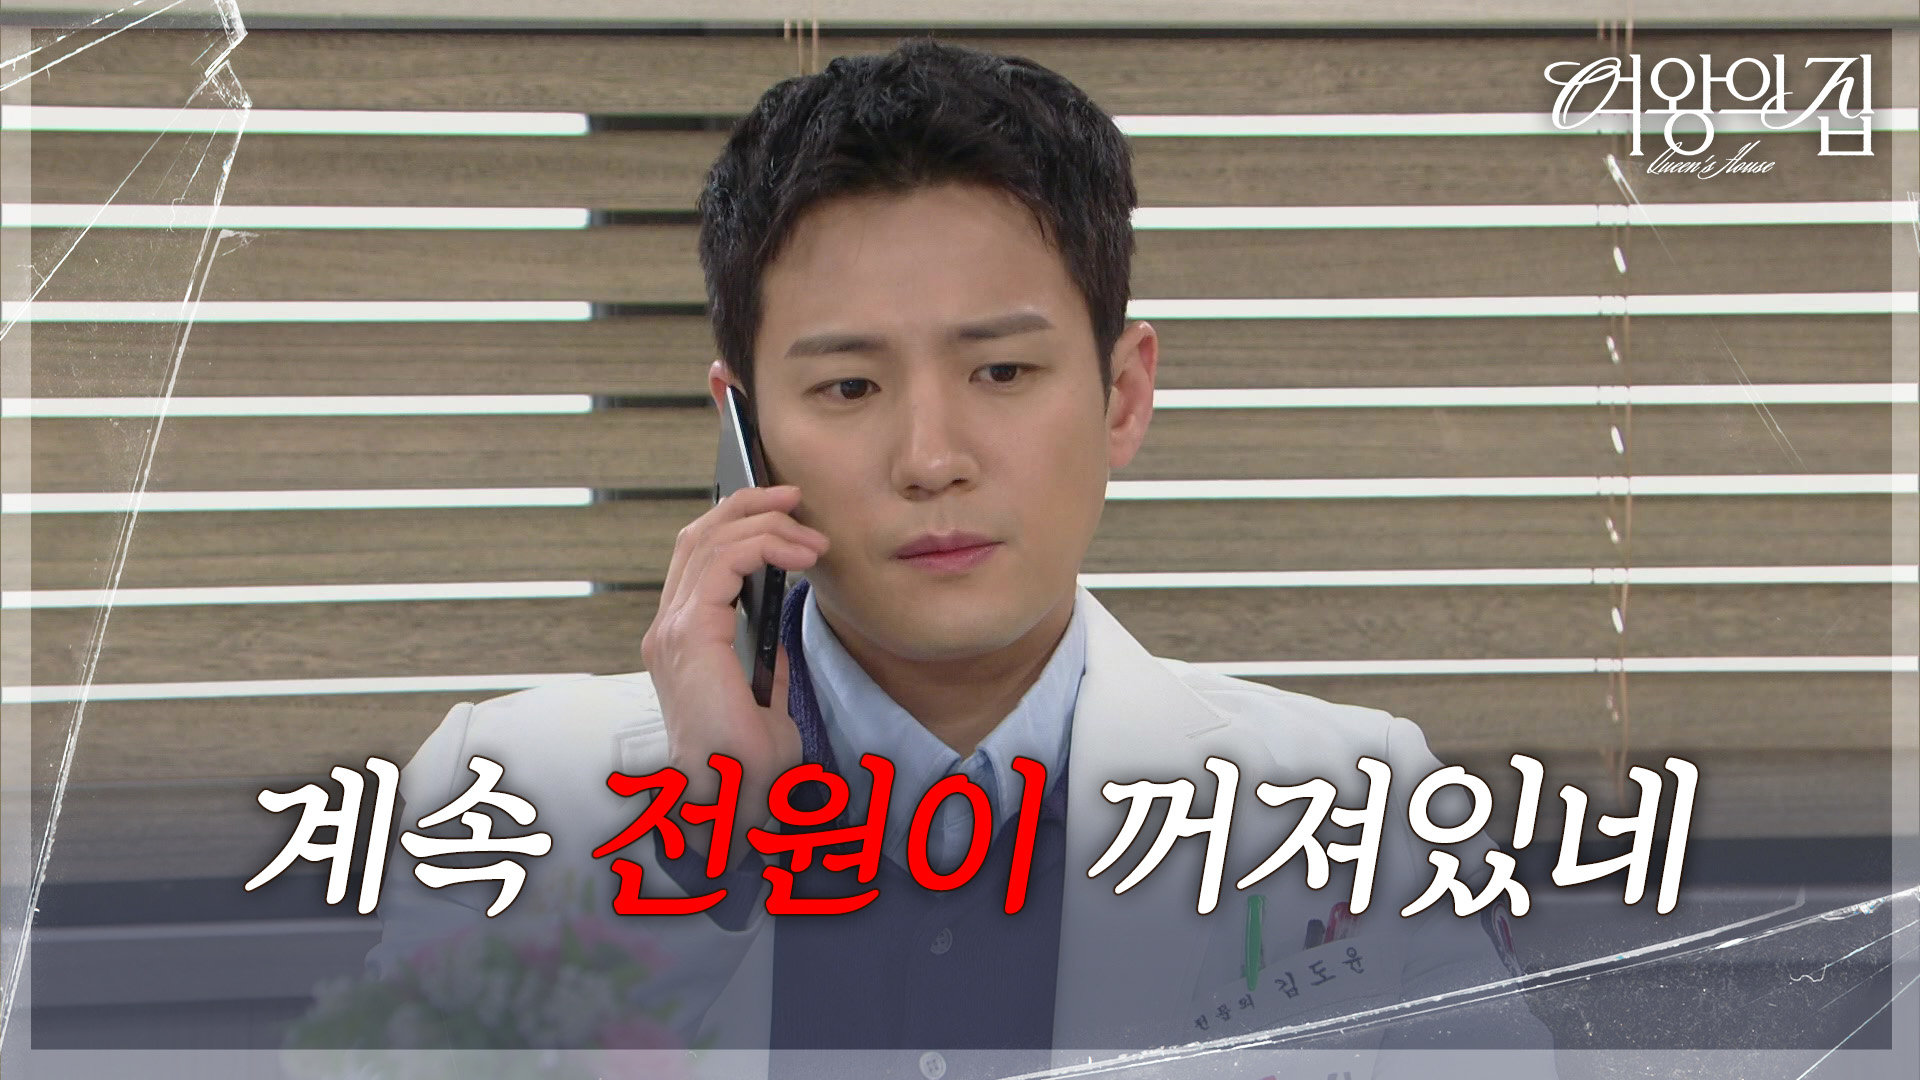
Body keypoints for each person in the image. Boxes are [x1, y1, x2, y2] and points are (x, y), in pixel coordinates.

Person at [368, 38, 1556, 1079]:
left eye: (1002, 371)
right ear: (745, 431)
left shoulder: (1359, 803)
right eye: (848, 387)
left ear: (1123, 395)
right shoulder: (504, 789)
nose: (931, 460)